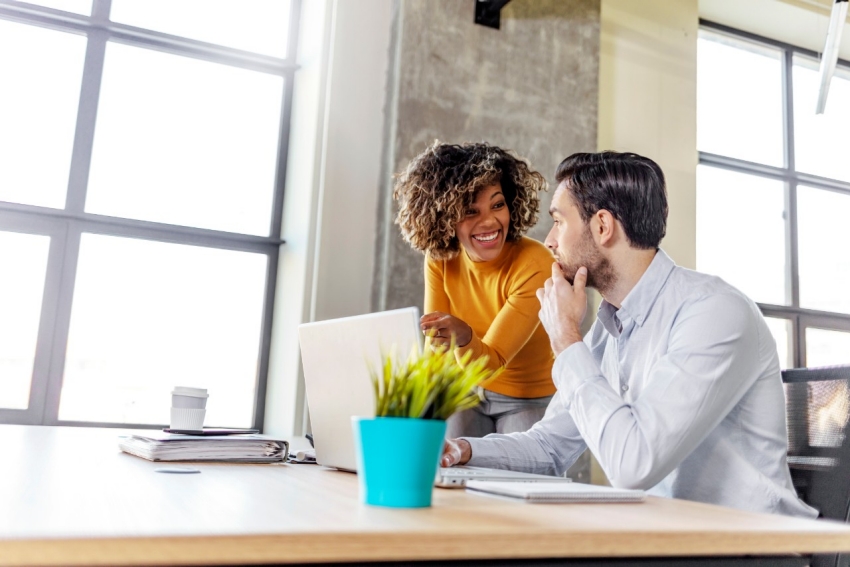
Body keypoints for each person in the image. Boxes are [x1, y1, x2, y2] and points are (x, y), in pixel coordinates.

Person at [441, 151, 817, 517]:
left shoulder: (713, 312)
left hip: (752, 547)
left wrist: (565, 338)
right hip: (667, 539)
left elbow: (632, 466)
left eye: (559, 222)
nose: (550, 241)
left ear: (602, 226)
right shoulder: (611, 329)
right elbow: (549, 446)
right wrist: (460, 450)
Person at [393, 141, 556, 437]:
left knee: (515, 481)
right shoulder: (441, 257)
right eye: (470, 211)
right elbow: (437, 346)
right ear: (445, 218)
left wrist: (463, 335)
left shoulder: (535, 263)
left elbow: (491, 362)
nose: (490, 221)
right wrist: (420, 406)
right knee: (447, 472)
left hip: (525, 397)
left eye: (497, 204)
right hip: (465, 388)